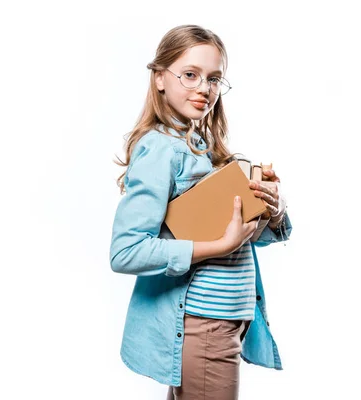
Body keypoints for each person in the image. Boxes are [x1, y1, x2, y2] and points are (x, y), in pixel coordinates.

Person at [109, 24, 292, 400]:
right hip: (204, 324)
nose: (204, 88)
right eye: (190, 75)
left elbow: (237, 236)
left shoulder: (203, 147)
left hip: (224, 321)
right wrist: (216, 247)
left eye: (214, 79)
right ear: (160, 78)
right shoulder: (162, 148)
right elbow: (126, 251)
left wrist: (271, 209)